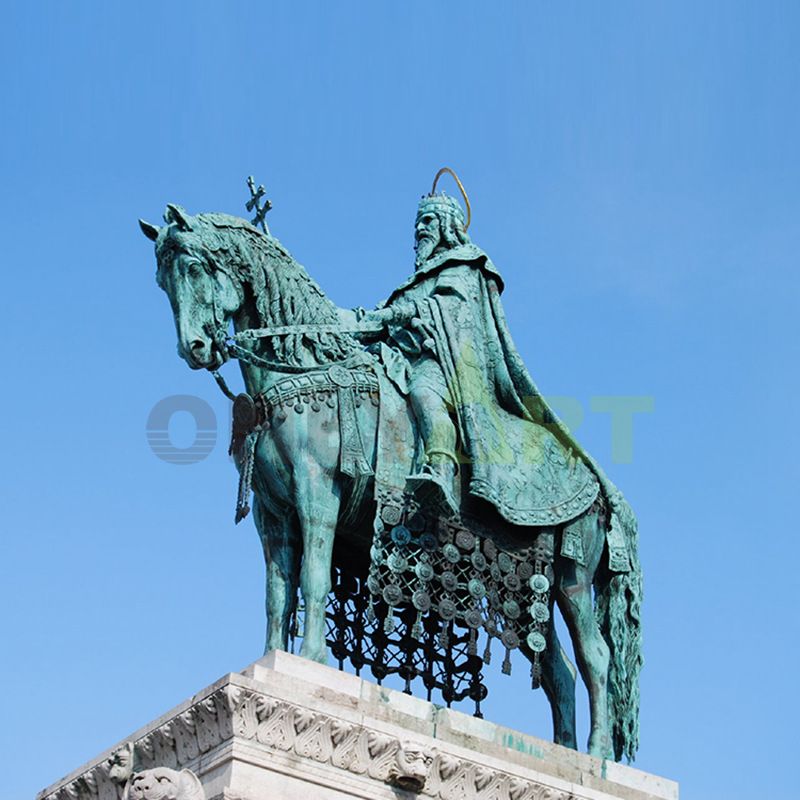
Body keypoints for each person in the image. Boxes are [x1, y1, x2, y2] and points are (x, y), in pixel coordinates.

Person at [365, 171, 602, 528]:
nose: (420, 230)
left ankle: (441, 471)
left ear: (447, 225)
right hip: (398, 359)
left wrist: (402, 313)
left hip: (443, 364)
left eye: (428, 221)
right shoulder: (413, 281)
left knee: (424, 394)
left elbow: (449, 310)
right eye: (417, 223)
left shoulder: (463, 265)